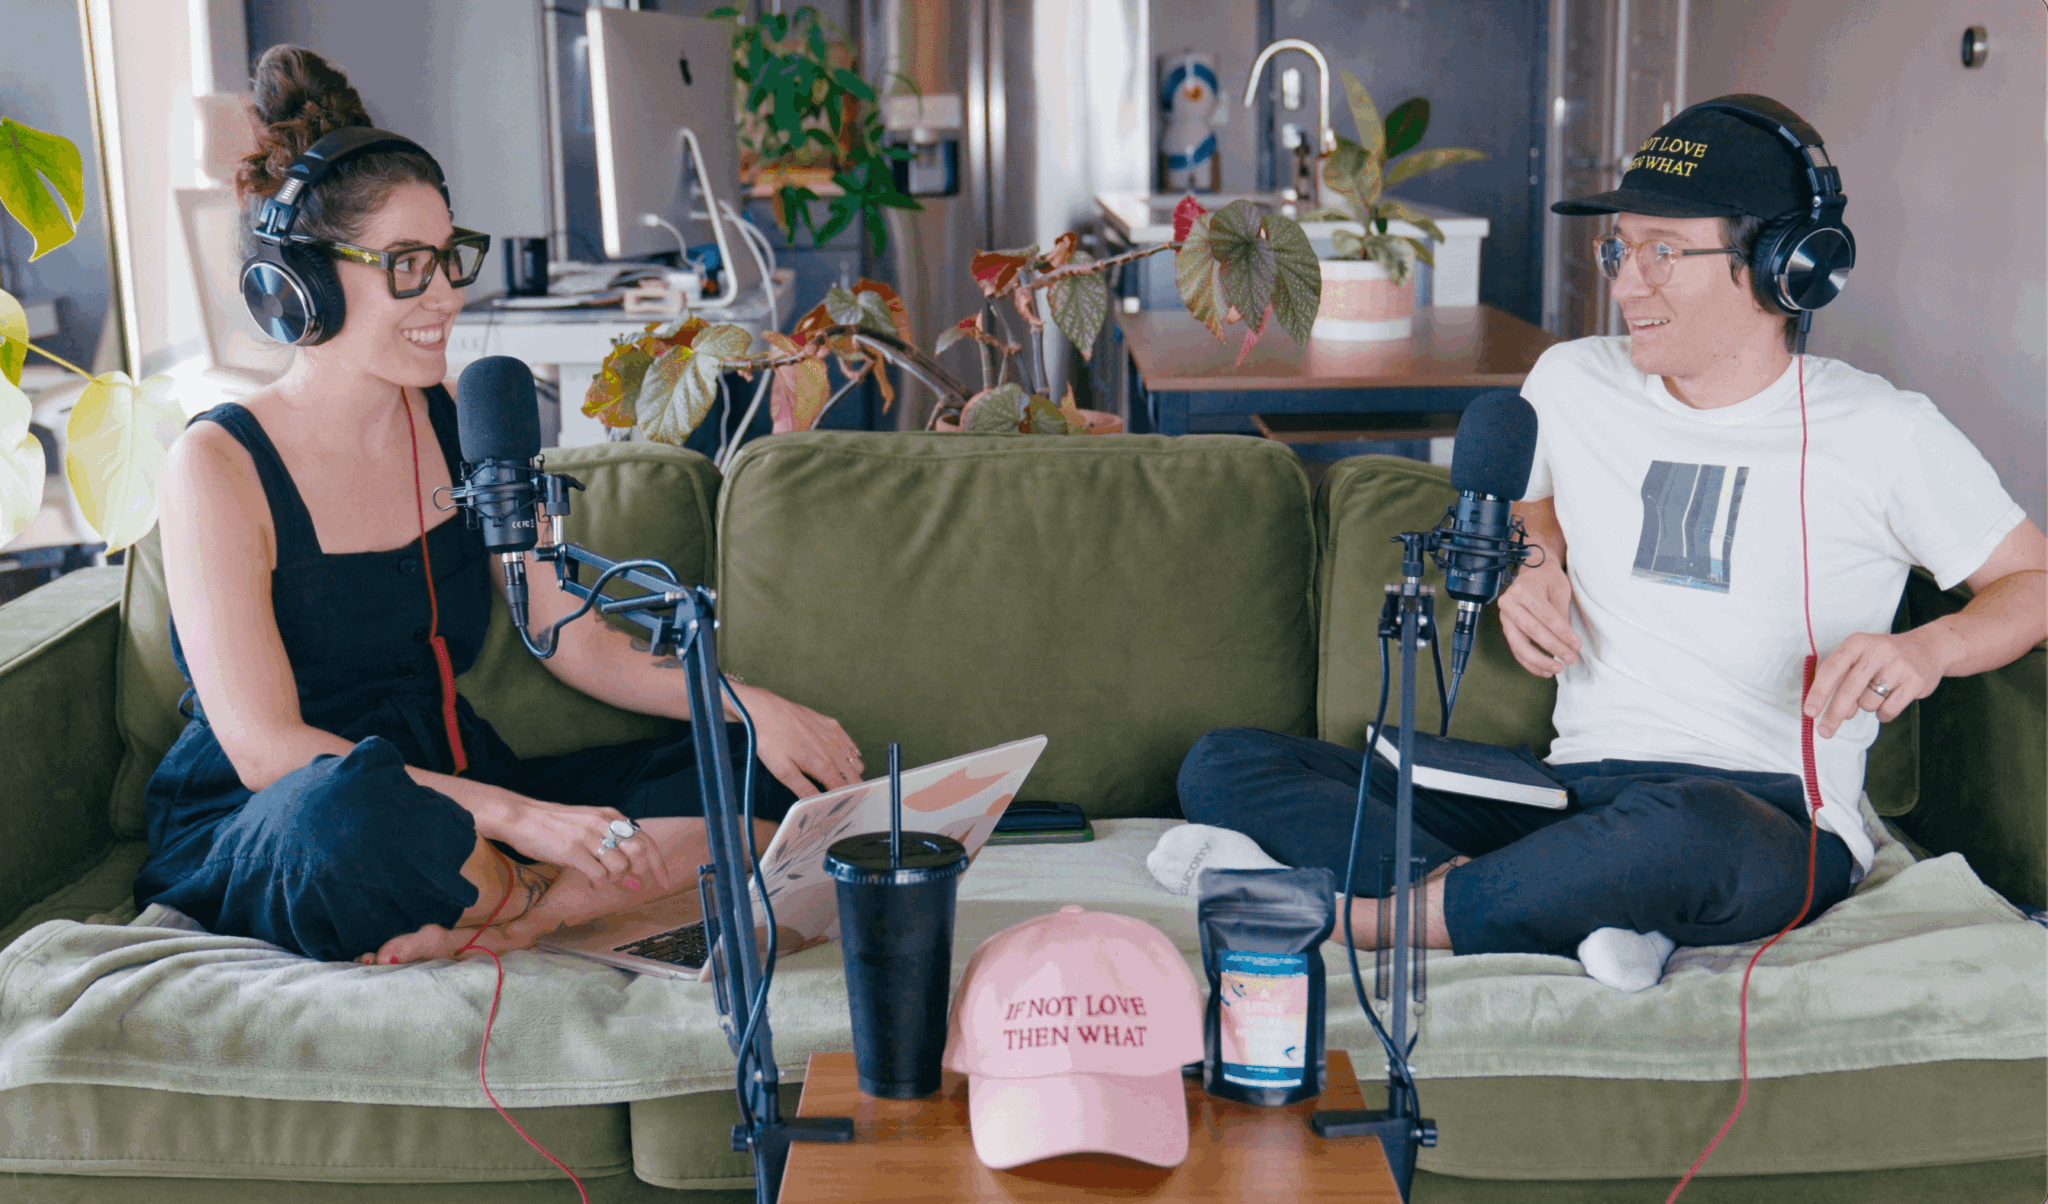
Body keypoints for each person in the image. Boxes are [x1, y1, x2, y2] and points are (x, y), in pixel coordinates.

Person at [1161, 95, 2046, 990]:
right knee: (1228, 763)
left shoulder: (1886, 431)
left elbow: (2033, 581)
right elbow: (1529, 503)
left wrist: (1930, 648)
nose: (1626, 286)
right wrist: (1533, 559)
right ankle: (1567, 906)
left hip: (1762, 814)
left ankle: (1373, 918)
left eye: (1664, 253)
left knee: (1692, 833)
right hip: (1567, 795)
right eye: (1620, 250)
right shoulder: (1573, 380)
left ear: (1787, 267)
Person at [134, 46, 867, 967]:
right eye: (408, 265)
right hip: (296, 811)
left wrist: (748, 706)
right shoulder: (217, 465)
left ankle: (520, 913)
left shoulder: (467, 420)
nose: (448, 294)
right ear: (301, 286)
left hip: (463, 789)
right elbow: (266, 749)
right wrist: (523, 820)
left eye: (450, 258)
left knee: (764, 772)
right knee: (345, 818)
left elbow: (573, 638)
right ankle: (542, 890)